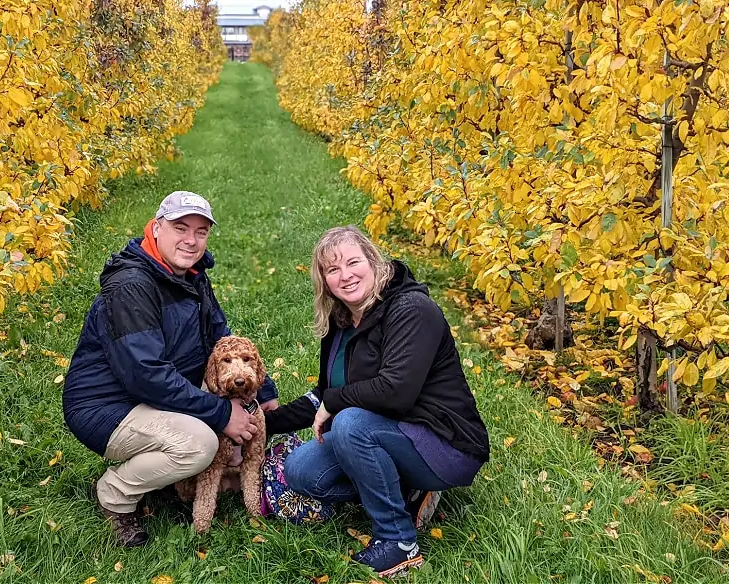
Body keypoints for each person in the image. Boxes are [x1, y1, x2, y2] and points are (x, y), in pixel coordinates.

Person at [263, 225, 490, 578]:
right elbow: (325, 393)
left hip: (445, 442)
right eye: (333, 269)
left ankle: (398, 541)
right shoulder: (341, 322)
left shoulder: (413, 309)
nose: (346, 275)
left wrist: (335, 402)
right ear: (324, 279)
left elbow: (396, 391)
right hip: (387, 432)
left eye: (353, 262)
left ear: (374, 261)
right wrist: (263, 424)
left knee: (351, 423)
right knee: (301, 471)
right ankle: (404, 488)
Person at [62, 191, 279, 547]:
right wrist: (222, 412)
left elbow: (219, 334)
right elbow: (145, 375)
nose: (191, 240)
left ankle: (162, 479)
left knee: (206, 432)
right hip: (107, 406)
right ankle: (114, 495)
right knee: (199, 444)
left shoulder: (190, 274)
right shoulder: (132, 286)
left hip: (153, 396)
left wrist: (263, 394)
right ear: (157, 227)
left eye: (201, 231)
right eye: (181, 228)